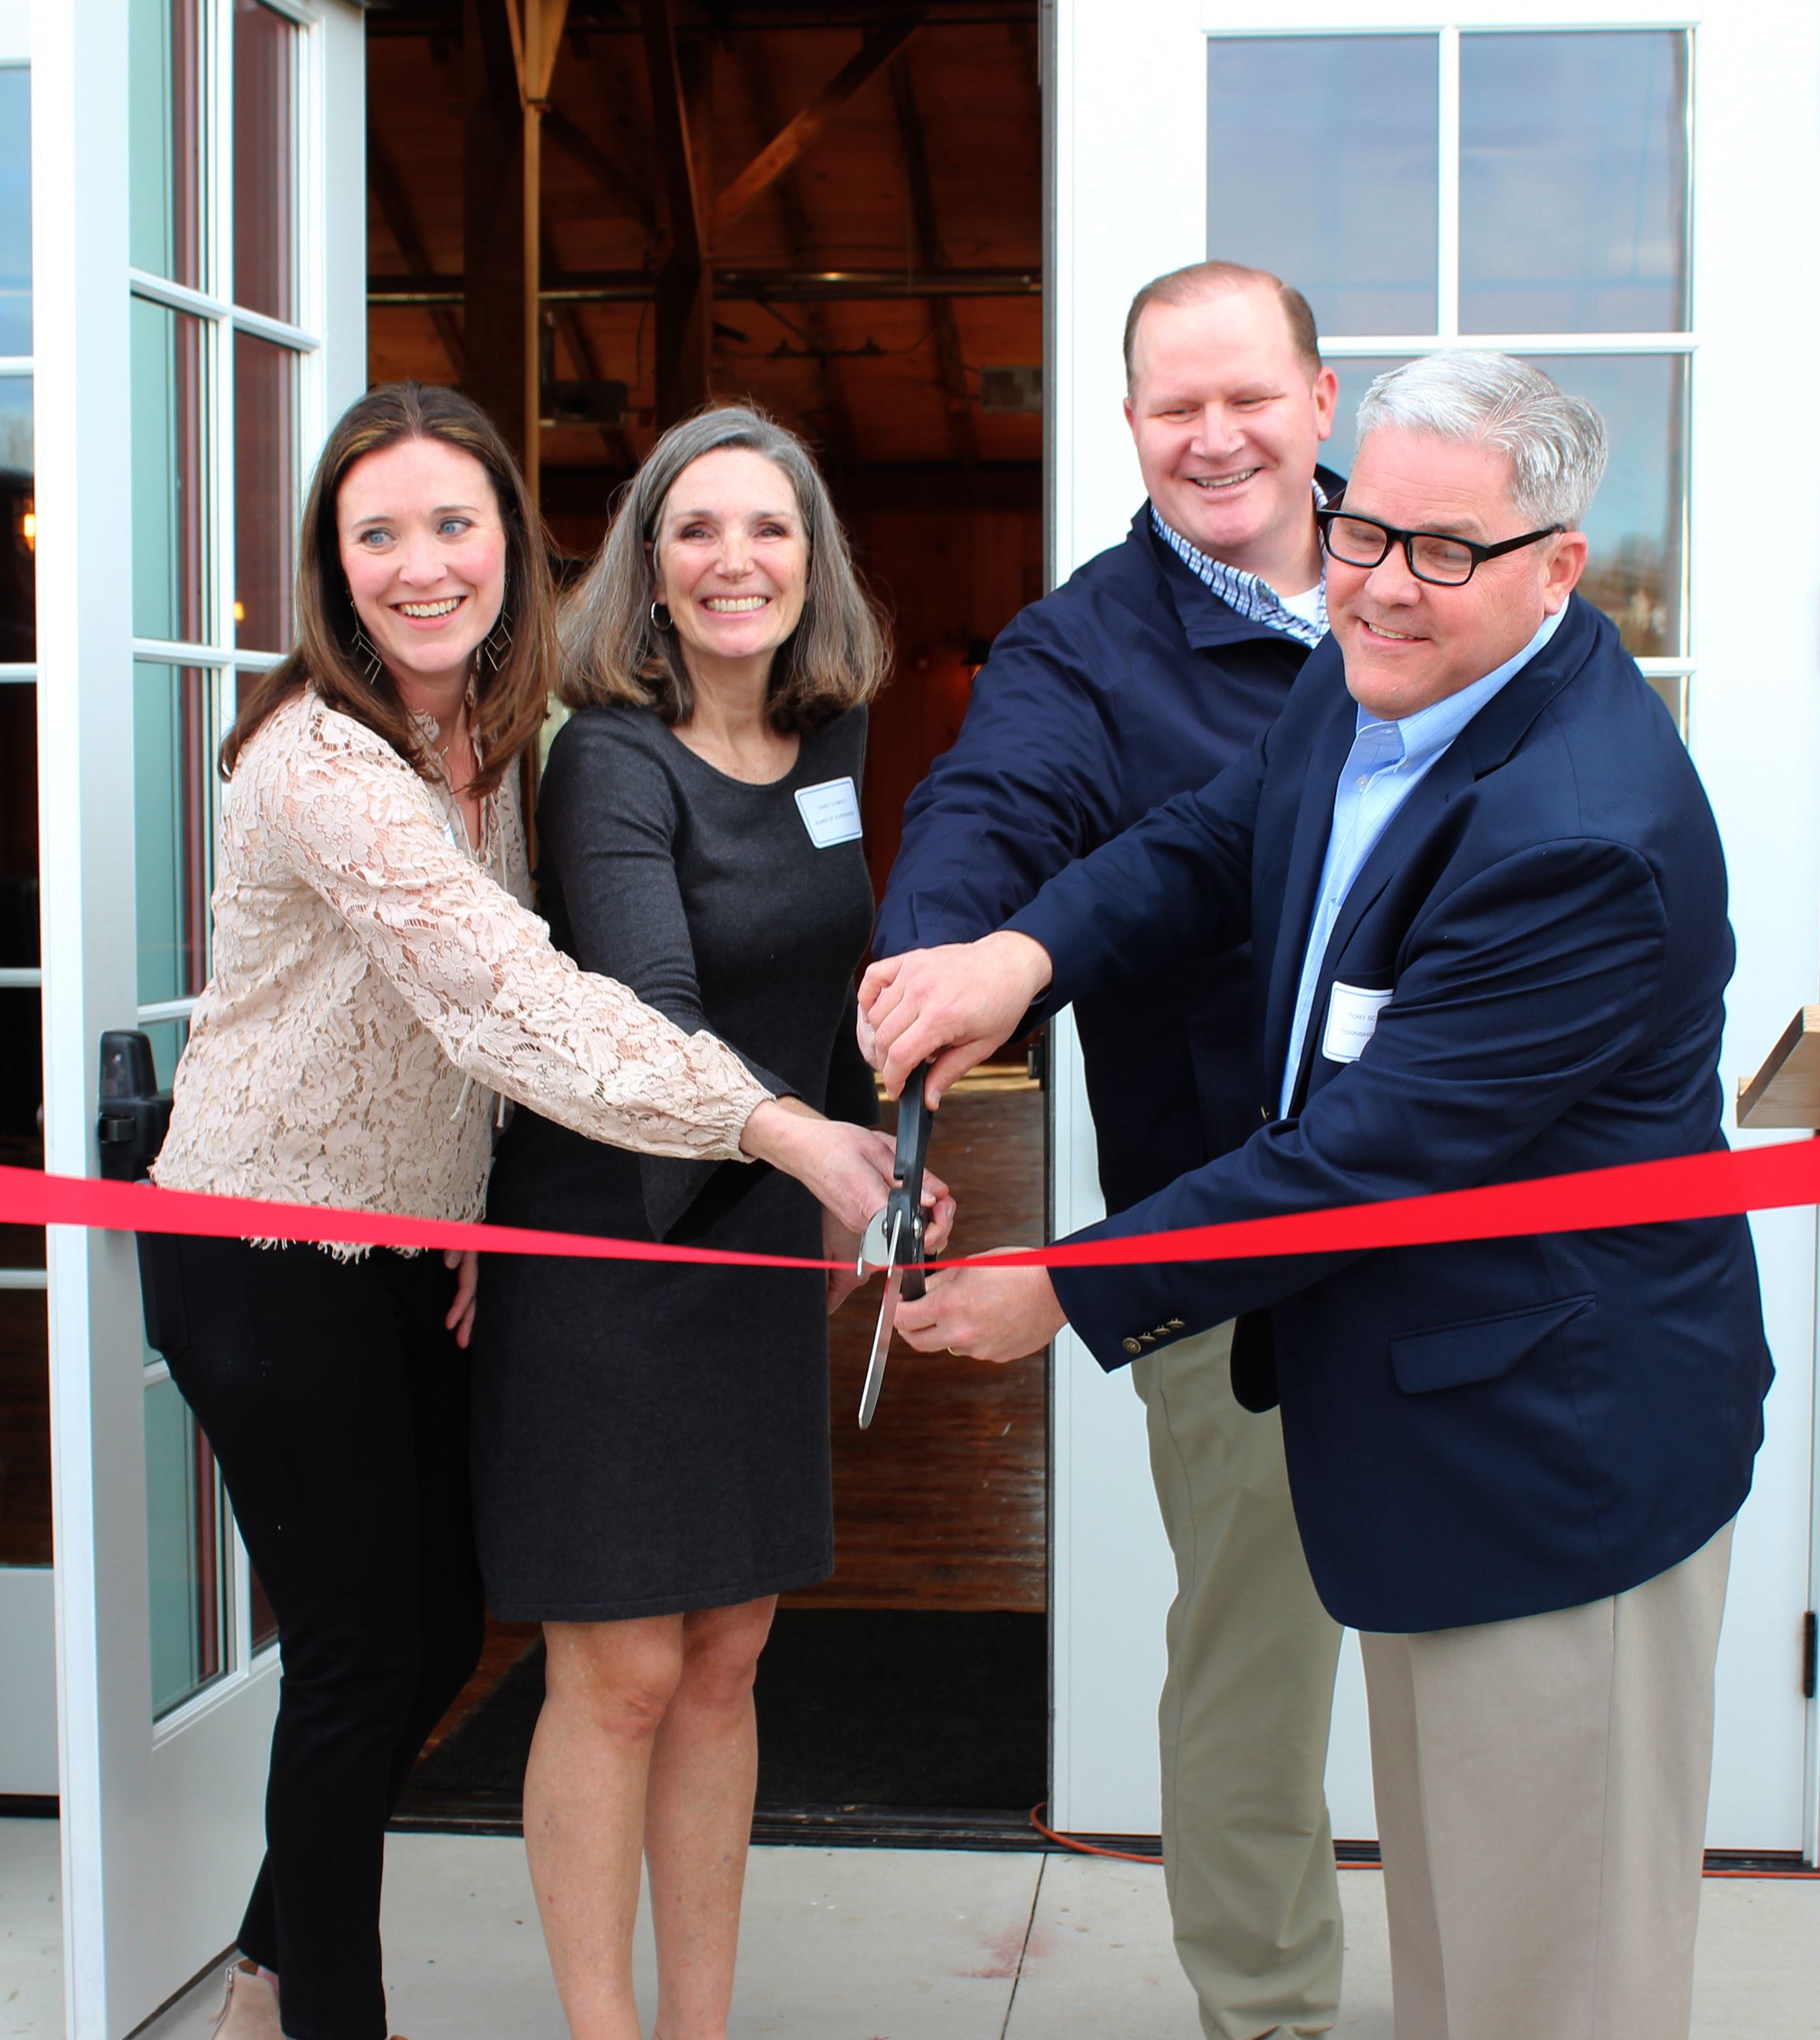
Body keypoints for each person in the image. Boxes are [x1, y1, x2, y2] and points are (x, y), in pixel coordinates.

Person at [861, 352, 1774, 2040]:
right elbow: (1212, 838)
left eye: (1444, 549)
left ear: (1557, 566)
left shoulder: (1581, 830)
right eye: (1362, 530)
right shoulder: (1372, 672)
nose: (1376, 581)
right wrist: (1019, 951)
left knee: (1543, 1980)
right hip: (1425, 1413)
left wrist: (1062, 1283)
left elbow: (1365, 1155)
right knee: (1461, 1940)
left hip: (1549, 1457)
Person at [141, 384, 910, 2040]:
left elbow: (493, 1041)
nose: (422, 564)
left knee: (425, 1647)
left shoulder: (486, 738)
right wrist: (788, 1131)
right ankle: (313, 2013)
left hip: (433, 1248)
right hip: (267, 1250)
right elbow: (513, 1004)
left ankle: (274, 1969)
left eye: (453, 525)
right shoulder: (329, 759)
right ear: (331, 571)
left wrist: (490, 1212)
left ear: (514, 543)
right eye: (378, 536)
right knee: (367, 1656)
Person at [871, 260, 1344, 2040]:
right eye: (1172, 406)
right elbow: (988, 812)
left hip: (1471, 1230)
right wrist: (931, 974)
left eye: (1246, 396)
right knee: (1249, 1673)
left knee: (1483, 1666)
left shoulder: (1430, 582)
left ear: (1318, 397)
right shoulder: (1085, 642)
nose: (1212, 437)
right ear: (1129, 422)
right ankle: (1269, 2013)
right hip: (1218, 1241)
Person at [469, 404, 947, 2040]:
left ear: (812, 565)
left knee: (730, 1659)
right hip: (610, 1252)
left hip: (757, 1250)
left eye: (769, 528)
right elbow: (655, 1018)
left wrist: (882, 1153)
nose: (734, 559)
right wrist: (820, 1152)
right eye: (696, 529)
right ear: (648, 571)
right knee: (620, 1673)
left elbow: (820, 1000)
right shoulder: (605, 751)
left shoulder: (828, 749)